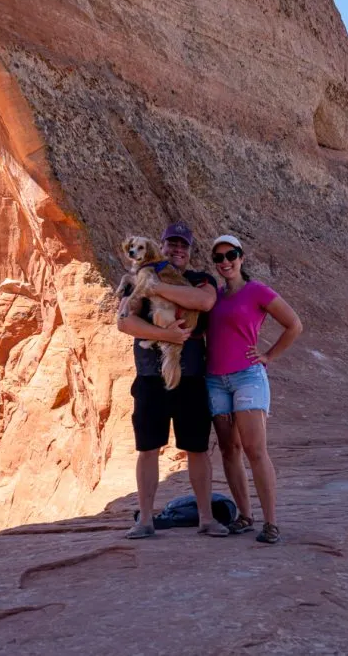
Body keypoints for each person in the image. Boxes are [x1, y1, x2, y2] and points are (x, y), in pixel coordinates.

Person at [117, 222, 230, 539]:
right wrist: (165, 335)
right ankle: (145, 520)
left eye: (183, 246)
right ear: (160, 247)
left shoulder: (200, 279)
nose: (177, 250)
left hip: (191, 377)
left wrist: (152, 286)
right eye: (171, 244)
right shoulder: (136, 280)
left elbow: (204, 302)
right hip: (151, 377)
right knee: (148, 448)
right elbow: (125, 322)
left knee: (196, 449)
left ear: (190, 251)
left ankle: (206, 519)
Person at [205, 235, 302, 544]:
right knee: (229, 450)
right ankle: (245, 517)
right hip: (215, 380)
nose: (225, 262)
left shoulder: (256, 291)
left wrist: (268, 356)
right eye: (218, 258)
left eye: (230, 255)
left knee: (254, 450)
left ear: (241, 257)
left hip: (247, 376)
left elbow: (294, 324)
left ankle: (271, 522)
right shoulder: (213, 297)